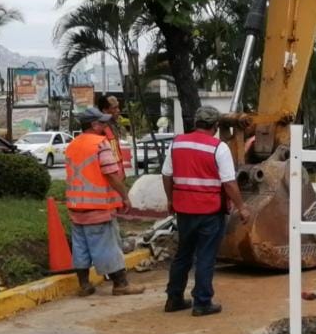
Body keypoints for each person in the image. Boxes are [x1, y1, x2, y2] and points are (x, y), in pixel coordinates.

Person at [162, 105, 249, 316]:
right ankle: (202, 302)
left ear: (195, 123)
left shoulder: (177, 144)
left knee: (183, 254)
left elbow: (166, 175)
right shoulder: (218, 148)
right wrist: (242, 207)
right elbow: (229, 183)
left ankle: (173, 299)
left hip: (184, 210)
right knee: (206, 256)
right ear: (216, 126)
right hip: (210, 211)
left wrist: (171, 200)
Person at [64, 107, 144, 297]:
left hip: (76, 207)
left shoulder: (72, 145)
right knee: (107, 246)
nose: (105, 125)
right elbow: (110, 174)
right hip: (97, 207)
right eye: (101, 122)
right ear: (93, 125)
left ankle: (84, 285)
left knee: (80, 248)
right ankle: (120, 284)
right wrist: (124, 196)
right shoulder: (100, 144)